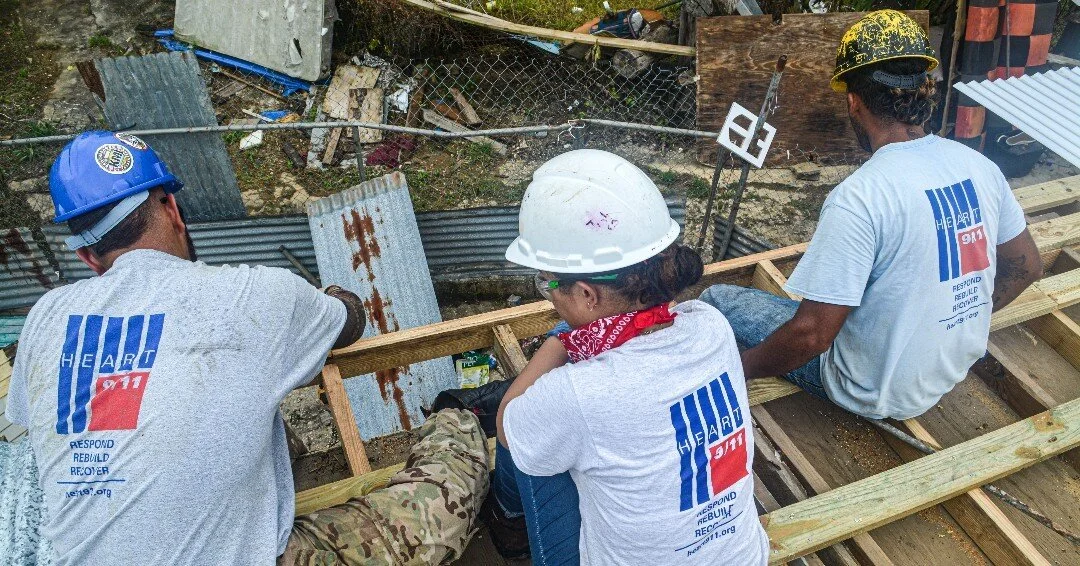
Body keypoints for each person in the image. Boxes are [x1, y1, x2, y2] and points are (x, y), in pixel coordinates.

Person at [5, 131, 489, 565]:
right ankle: (466, 428)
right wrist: (323, 300)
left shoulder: (44, 319)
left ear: (88, 256)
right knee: (451, 476)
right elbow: (350, 320)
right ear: (171, 208)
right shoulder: (252, 295)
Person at [699, 10, 1043, 421]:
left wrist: (745, 368)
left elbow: (812, 336)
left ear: (853, 101)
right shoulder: (979, 166)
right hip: (946, 373)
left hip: (869, 391)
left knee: (717, 298)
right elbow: (1027, 267)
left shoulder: (860, 197)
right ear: (924, 93)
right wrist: (952, 324)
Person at [479, 149, 769, 564]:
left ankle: (507, 521)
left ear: (586, 294)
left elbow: (510, 423)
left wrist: (562, 340)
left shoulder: (578, 394)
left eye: (547, 286)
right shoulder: (711, 325)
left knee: (528, 436)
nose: (548, 297)